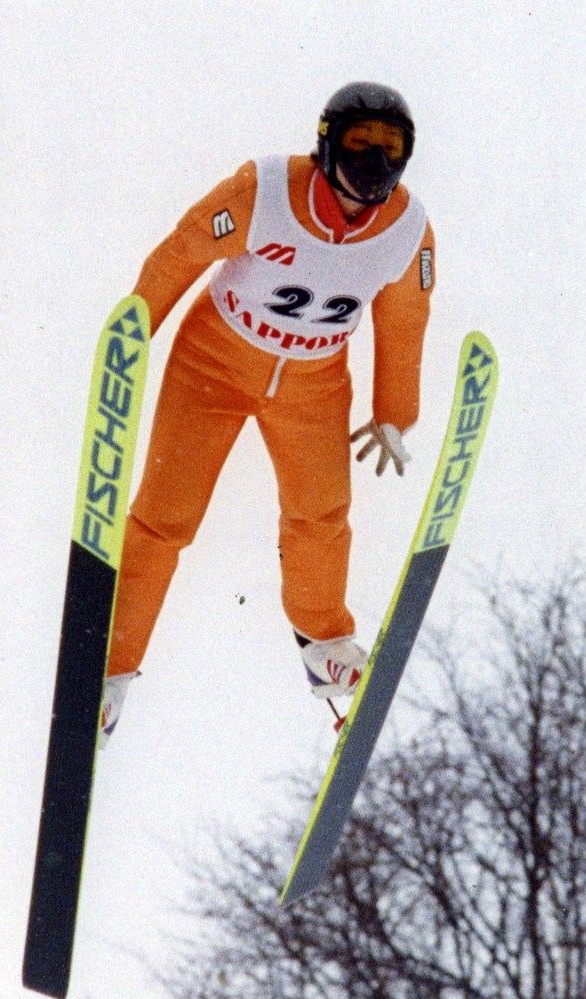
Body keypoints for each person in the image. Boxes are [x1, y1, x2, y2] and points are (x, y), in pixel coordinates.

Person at [100, 81, 435, 745]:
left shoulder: (407, 231)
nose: (371, 165)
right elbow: (182, 252)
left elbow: (406, 318)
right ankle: (106, 676)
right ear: (327, 142)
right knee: (164, 519)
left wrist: (394, 412)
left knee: (320, 515)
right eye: (359, 143)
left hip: (313, 382)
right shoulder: (267, 190)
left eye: (389, 149)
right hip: (214, 363)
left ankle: (329, 649)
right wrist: (132, 334)